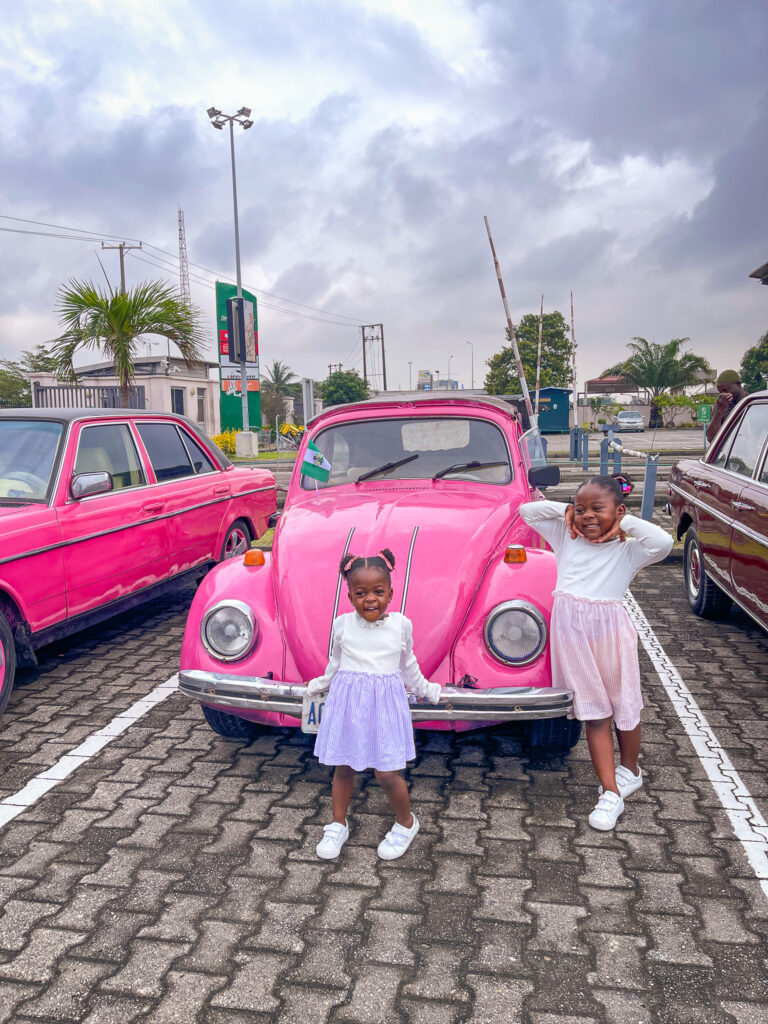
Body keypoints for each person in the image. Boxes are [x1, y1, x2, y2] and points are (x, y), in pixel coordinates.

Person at [520, 477, 673, 831]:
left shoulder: (628, 549)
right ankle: (610, 792)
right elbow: (527, 511)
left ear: (618, 511)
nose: (588, 516)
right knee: (595, 712)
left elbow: (664, 541)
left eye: (597, 509)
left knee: (625, 706)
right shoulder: (566, 536)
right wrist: (568, 513)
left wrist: (624, 523)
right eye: (581, 507)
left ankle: (631, 770)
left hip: (610, 634)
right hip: (571, 636)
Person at [306, 549, 441, 861]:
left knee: (387, 774)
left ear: (390, 593)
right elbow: (335, 664)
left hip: (385, 707)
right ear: (350, 595)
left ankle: (406, 823)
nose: (370, 600)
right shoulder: (342, 625)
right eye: (361, 593)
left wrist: (428, 690)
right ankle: (338, 823)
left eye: (378, 592)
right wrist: (319, 684)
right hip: (348, 703)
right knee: (343, 766)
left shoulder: (401, 626)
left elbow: (409, 667)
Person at [706, 369, 747, 442]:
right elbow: (711, 438)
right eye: (720, 392)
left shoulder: (750, 402)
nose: (723, 394)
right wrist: (719, 412)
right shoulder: (720, 406)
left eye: (725, 390)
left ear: (738, 385)